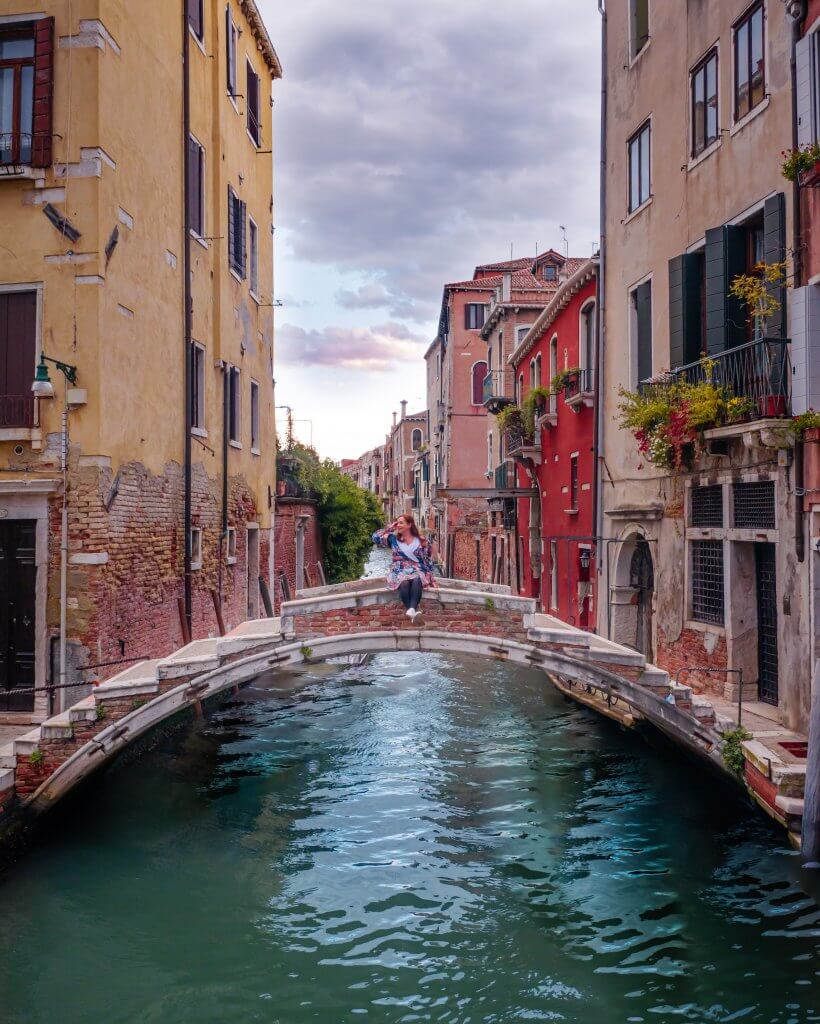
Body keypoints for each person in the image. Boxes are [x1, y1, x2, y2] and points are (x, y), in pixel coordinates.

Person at [372, 515, 438, 625]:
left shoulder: (421, 540)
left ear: (409, 524)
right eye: (397, 523)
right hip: (399, 570)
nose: (398, 525)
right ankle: (412, 611)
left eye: (401, 523)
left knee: (417, 580)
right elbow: (375, 538)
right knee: (404, 583)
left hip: (417, 569)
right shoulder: (392, 539)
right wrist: (389, 528)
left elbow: (428, 558)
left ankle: (411, 610)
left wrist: (431, 576)